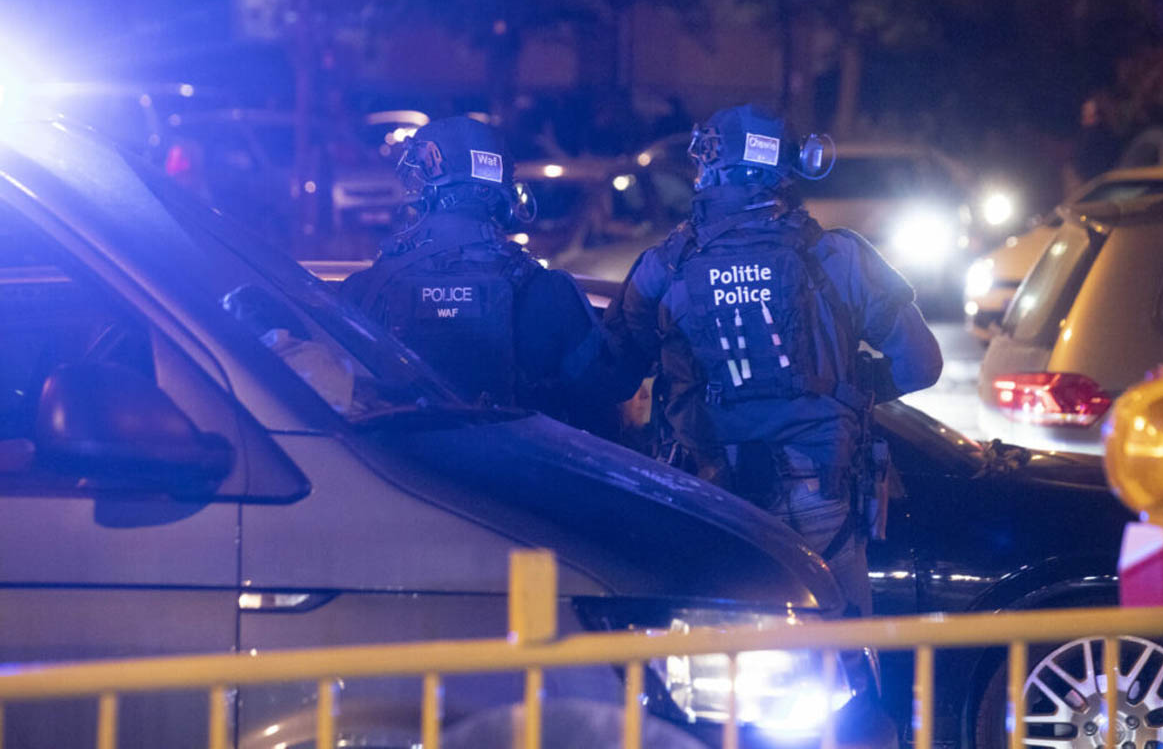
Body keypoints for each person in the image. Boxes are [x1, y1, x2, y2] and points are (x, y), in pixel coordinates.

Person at [606, 104, 943, 614]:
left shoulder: (662, 266)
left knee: (716, 663)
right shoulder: (840, 257)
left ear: (715, 167)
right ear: (786, 170)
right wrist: (850, 381)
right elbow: (921, 365)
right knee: (844, 650)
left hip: (707, 492)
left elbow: (611, 370)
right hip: (821, 489)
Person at [342, 116, 630, 430]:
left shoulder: (366, 288)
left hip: (391, 476)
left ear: (429, 184)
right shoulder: (548, 291)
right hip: (515, 475)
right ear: (502, 191)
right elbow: (605, 387)